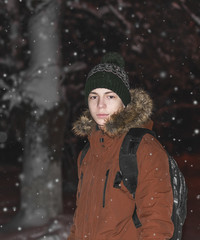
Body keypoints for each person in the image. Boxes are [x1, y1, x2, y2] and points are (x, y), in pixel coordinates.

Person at [68, 52, 174, 240]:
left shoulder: (143, 148)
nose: (100, 105)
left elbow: (156, 224)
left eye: (110, 96)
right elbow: (80, 219)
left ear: (124, 102)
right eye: (93, 97)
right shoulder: (88, 152)